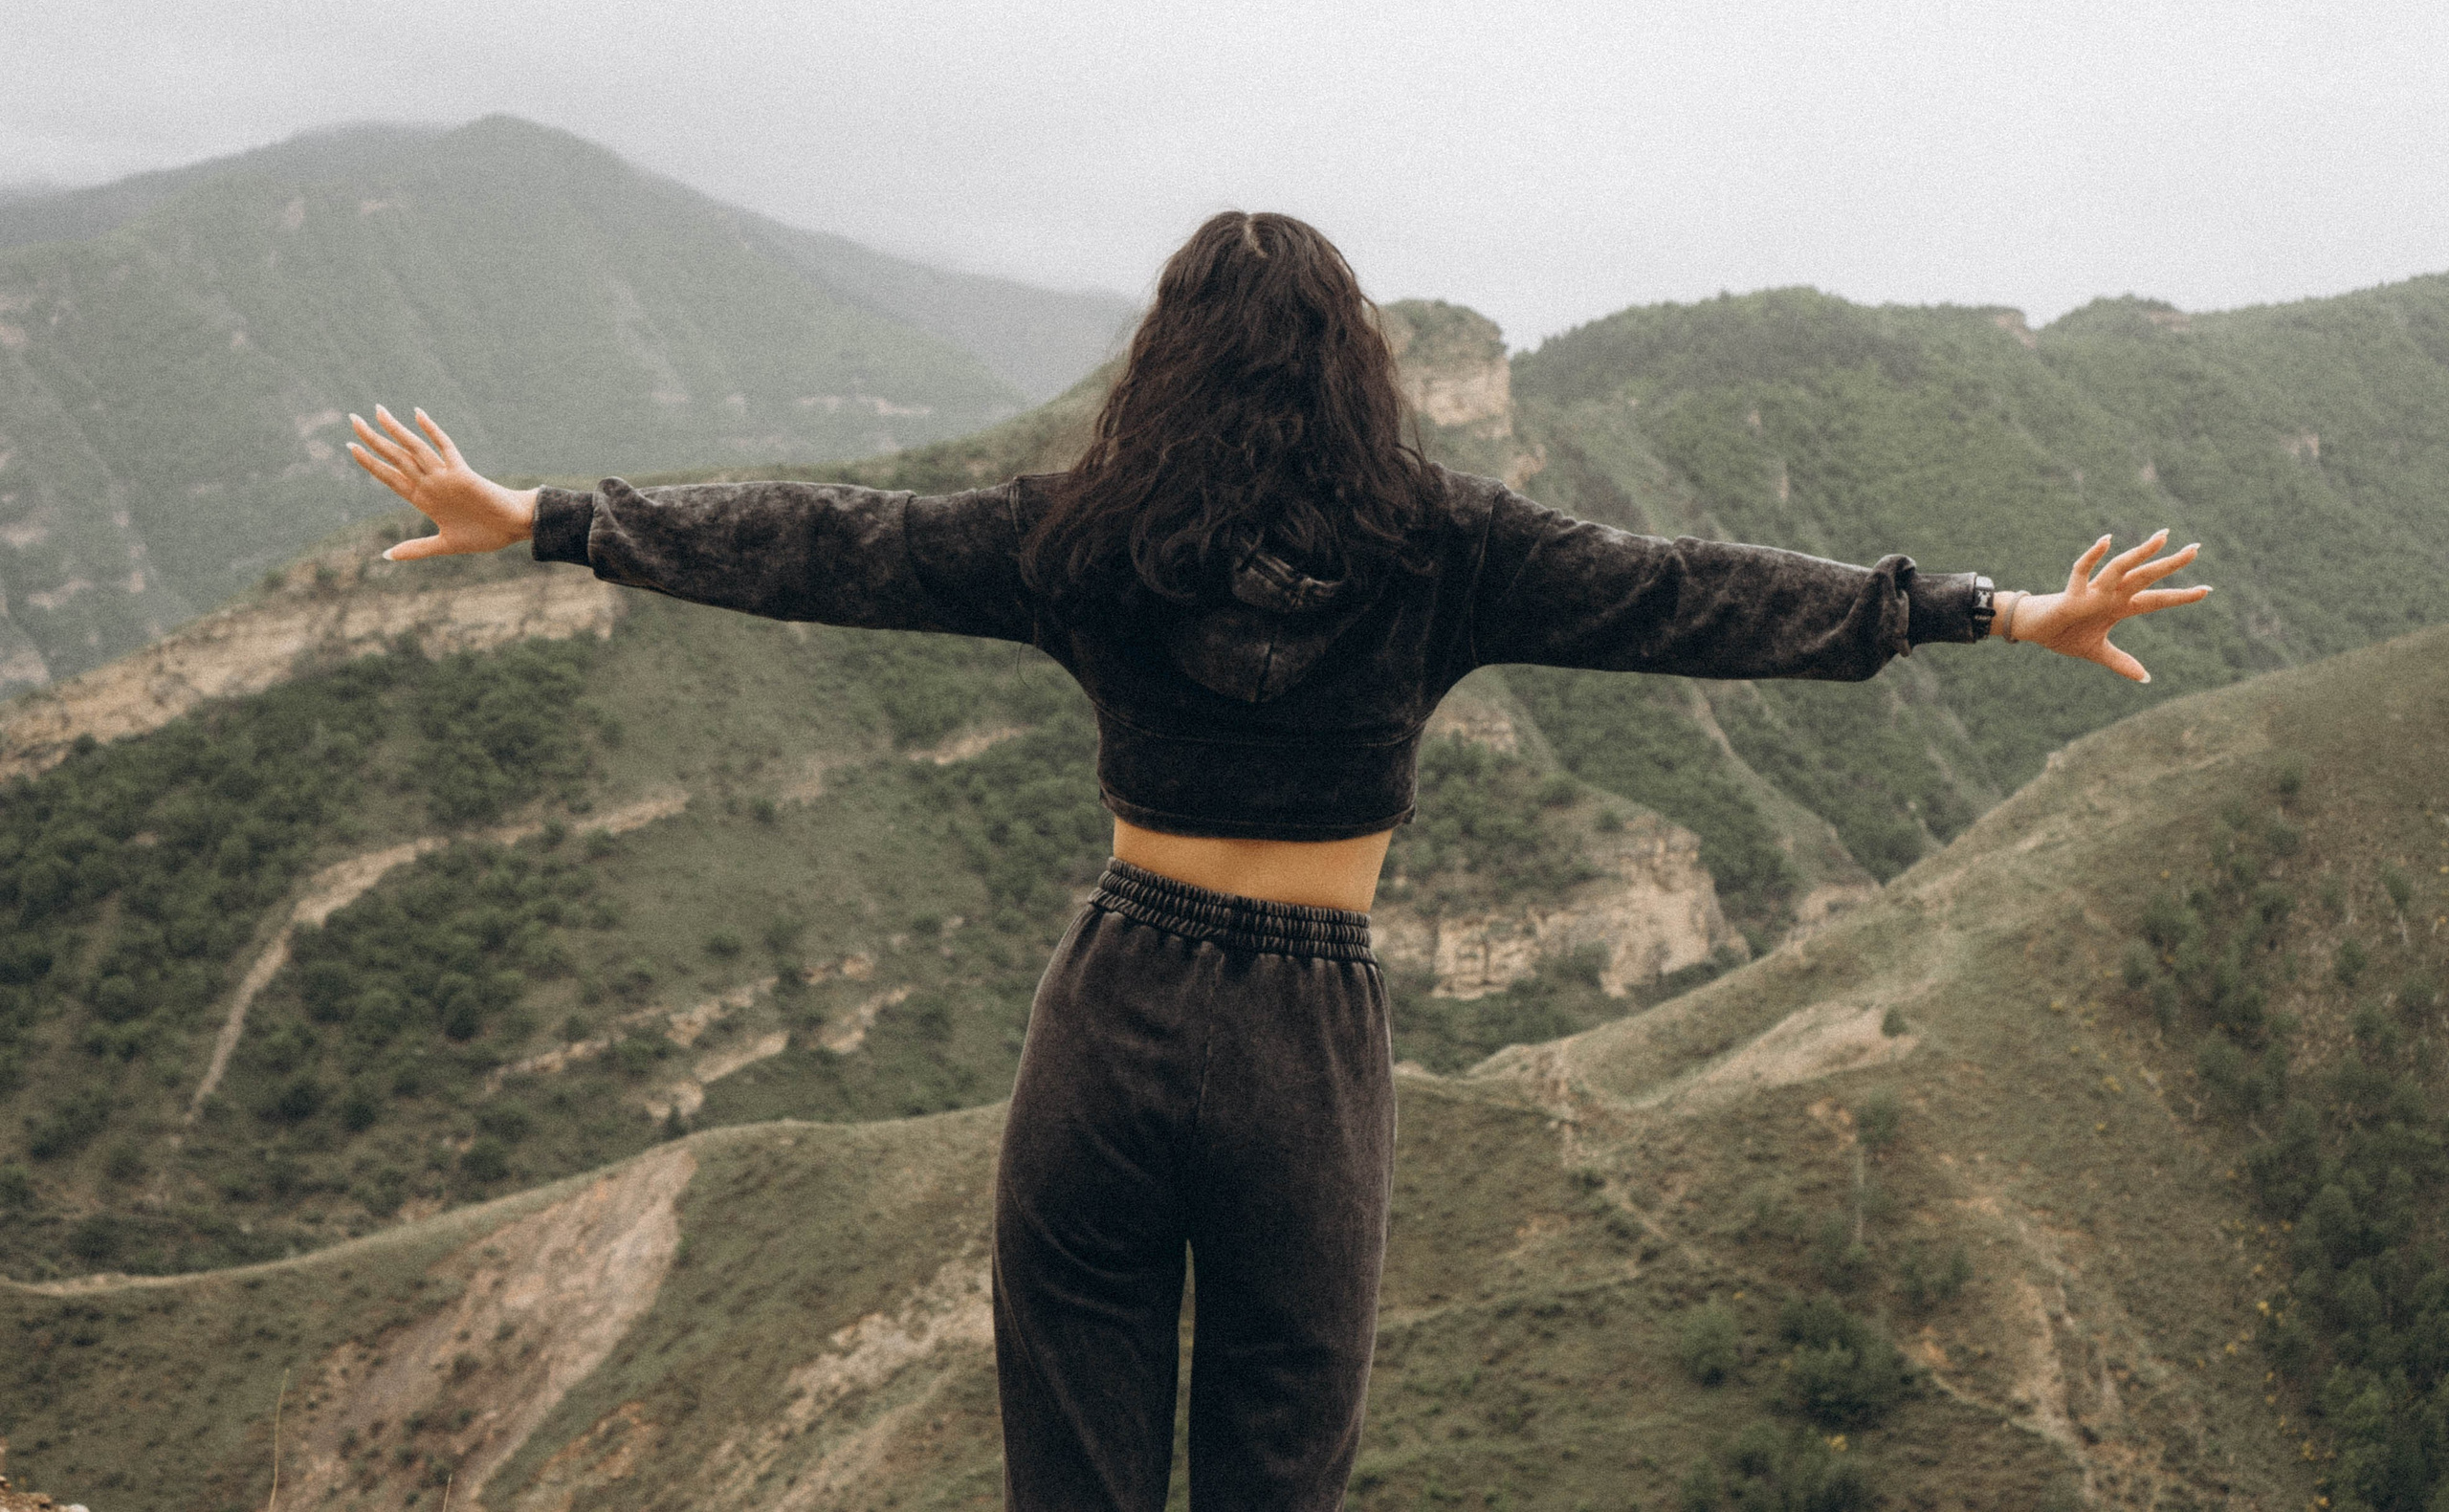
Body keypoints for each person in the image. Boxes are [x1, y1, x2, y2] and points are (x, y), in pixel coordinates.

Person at [346, 209, 2208, 1511]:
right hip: (1302, 1051)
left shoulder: (1080, 535)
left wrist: (548, 518)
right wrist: (1979, 609)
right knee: (1273, 1474)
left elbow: (830, 542)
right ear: (1354, 373)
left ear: (1161, 372)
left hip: (1108, 1009)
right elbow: (1688, 597)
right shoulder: (1439, 543)